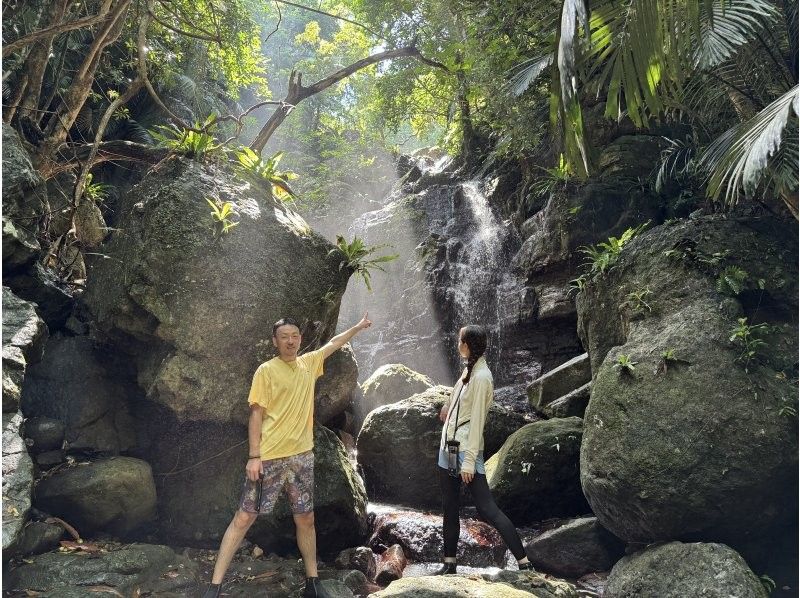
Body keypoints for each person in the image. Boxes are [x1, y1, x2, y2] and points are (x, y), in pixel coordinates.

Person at [203, 314, 373, 598]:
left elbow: (333, 343)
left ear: (300, 339)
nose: (290, 341)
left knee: (305, 518)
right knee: (244, 516)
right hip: (268, 457)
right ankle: (215, 585)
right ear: (275, 341)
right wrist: (253, 456)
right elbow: (255, 415)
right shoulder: (266, 371)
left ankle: (313, 582)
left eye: (294, 335)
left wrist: (356, 327)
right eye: (284, 336)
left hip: (301, 457)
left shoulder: (308, 364)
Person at [435, 325, 534, 575]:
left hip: (466, 451)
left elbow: (478, 421)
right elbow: (458, 398)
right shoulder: (470, 369)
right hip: (449, 448)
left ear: (467, 345)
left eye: (460, 340)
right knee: (449, 507)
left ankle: (524, 562)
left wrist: (469, 462)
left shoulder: (482, 377)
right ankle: (449, 564)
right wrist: (447, 407)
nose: (457, 344)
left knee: (487, 508)